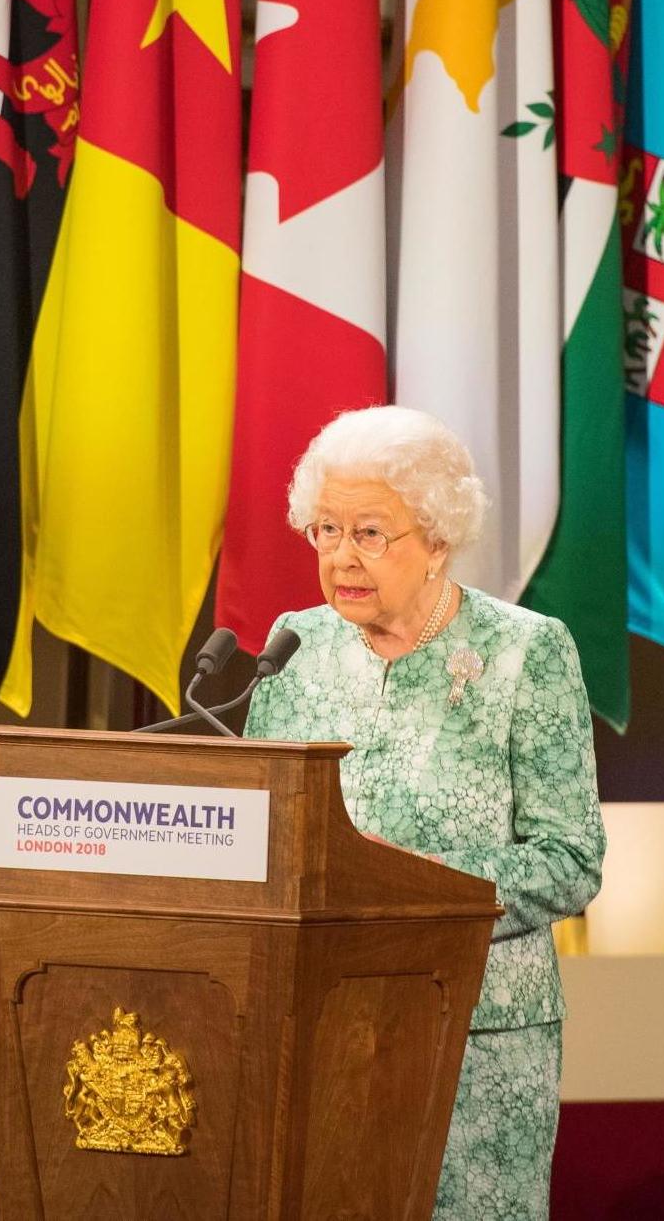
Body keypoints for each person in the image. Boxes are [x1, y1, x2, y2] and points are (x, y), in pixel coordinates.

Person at [242, 405, 606, 1219]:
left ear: (437, 537)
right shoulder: (293, 647)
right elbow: (265, 839)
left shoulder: (525, 651)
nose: (340, 557)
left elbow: (570, 858)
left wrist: (418, 889)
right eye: (325, 529)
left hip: (474, 1038)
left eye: (369, 532)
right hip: (321, 1026)